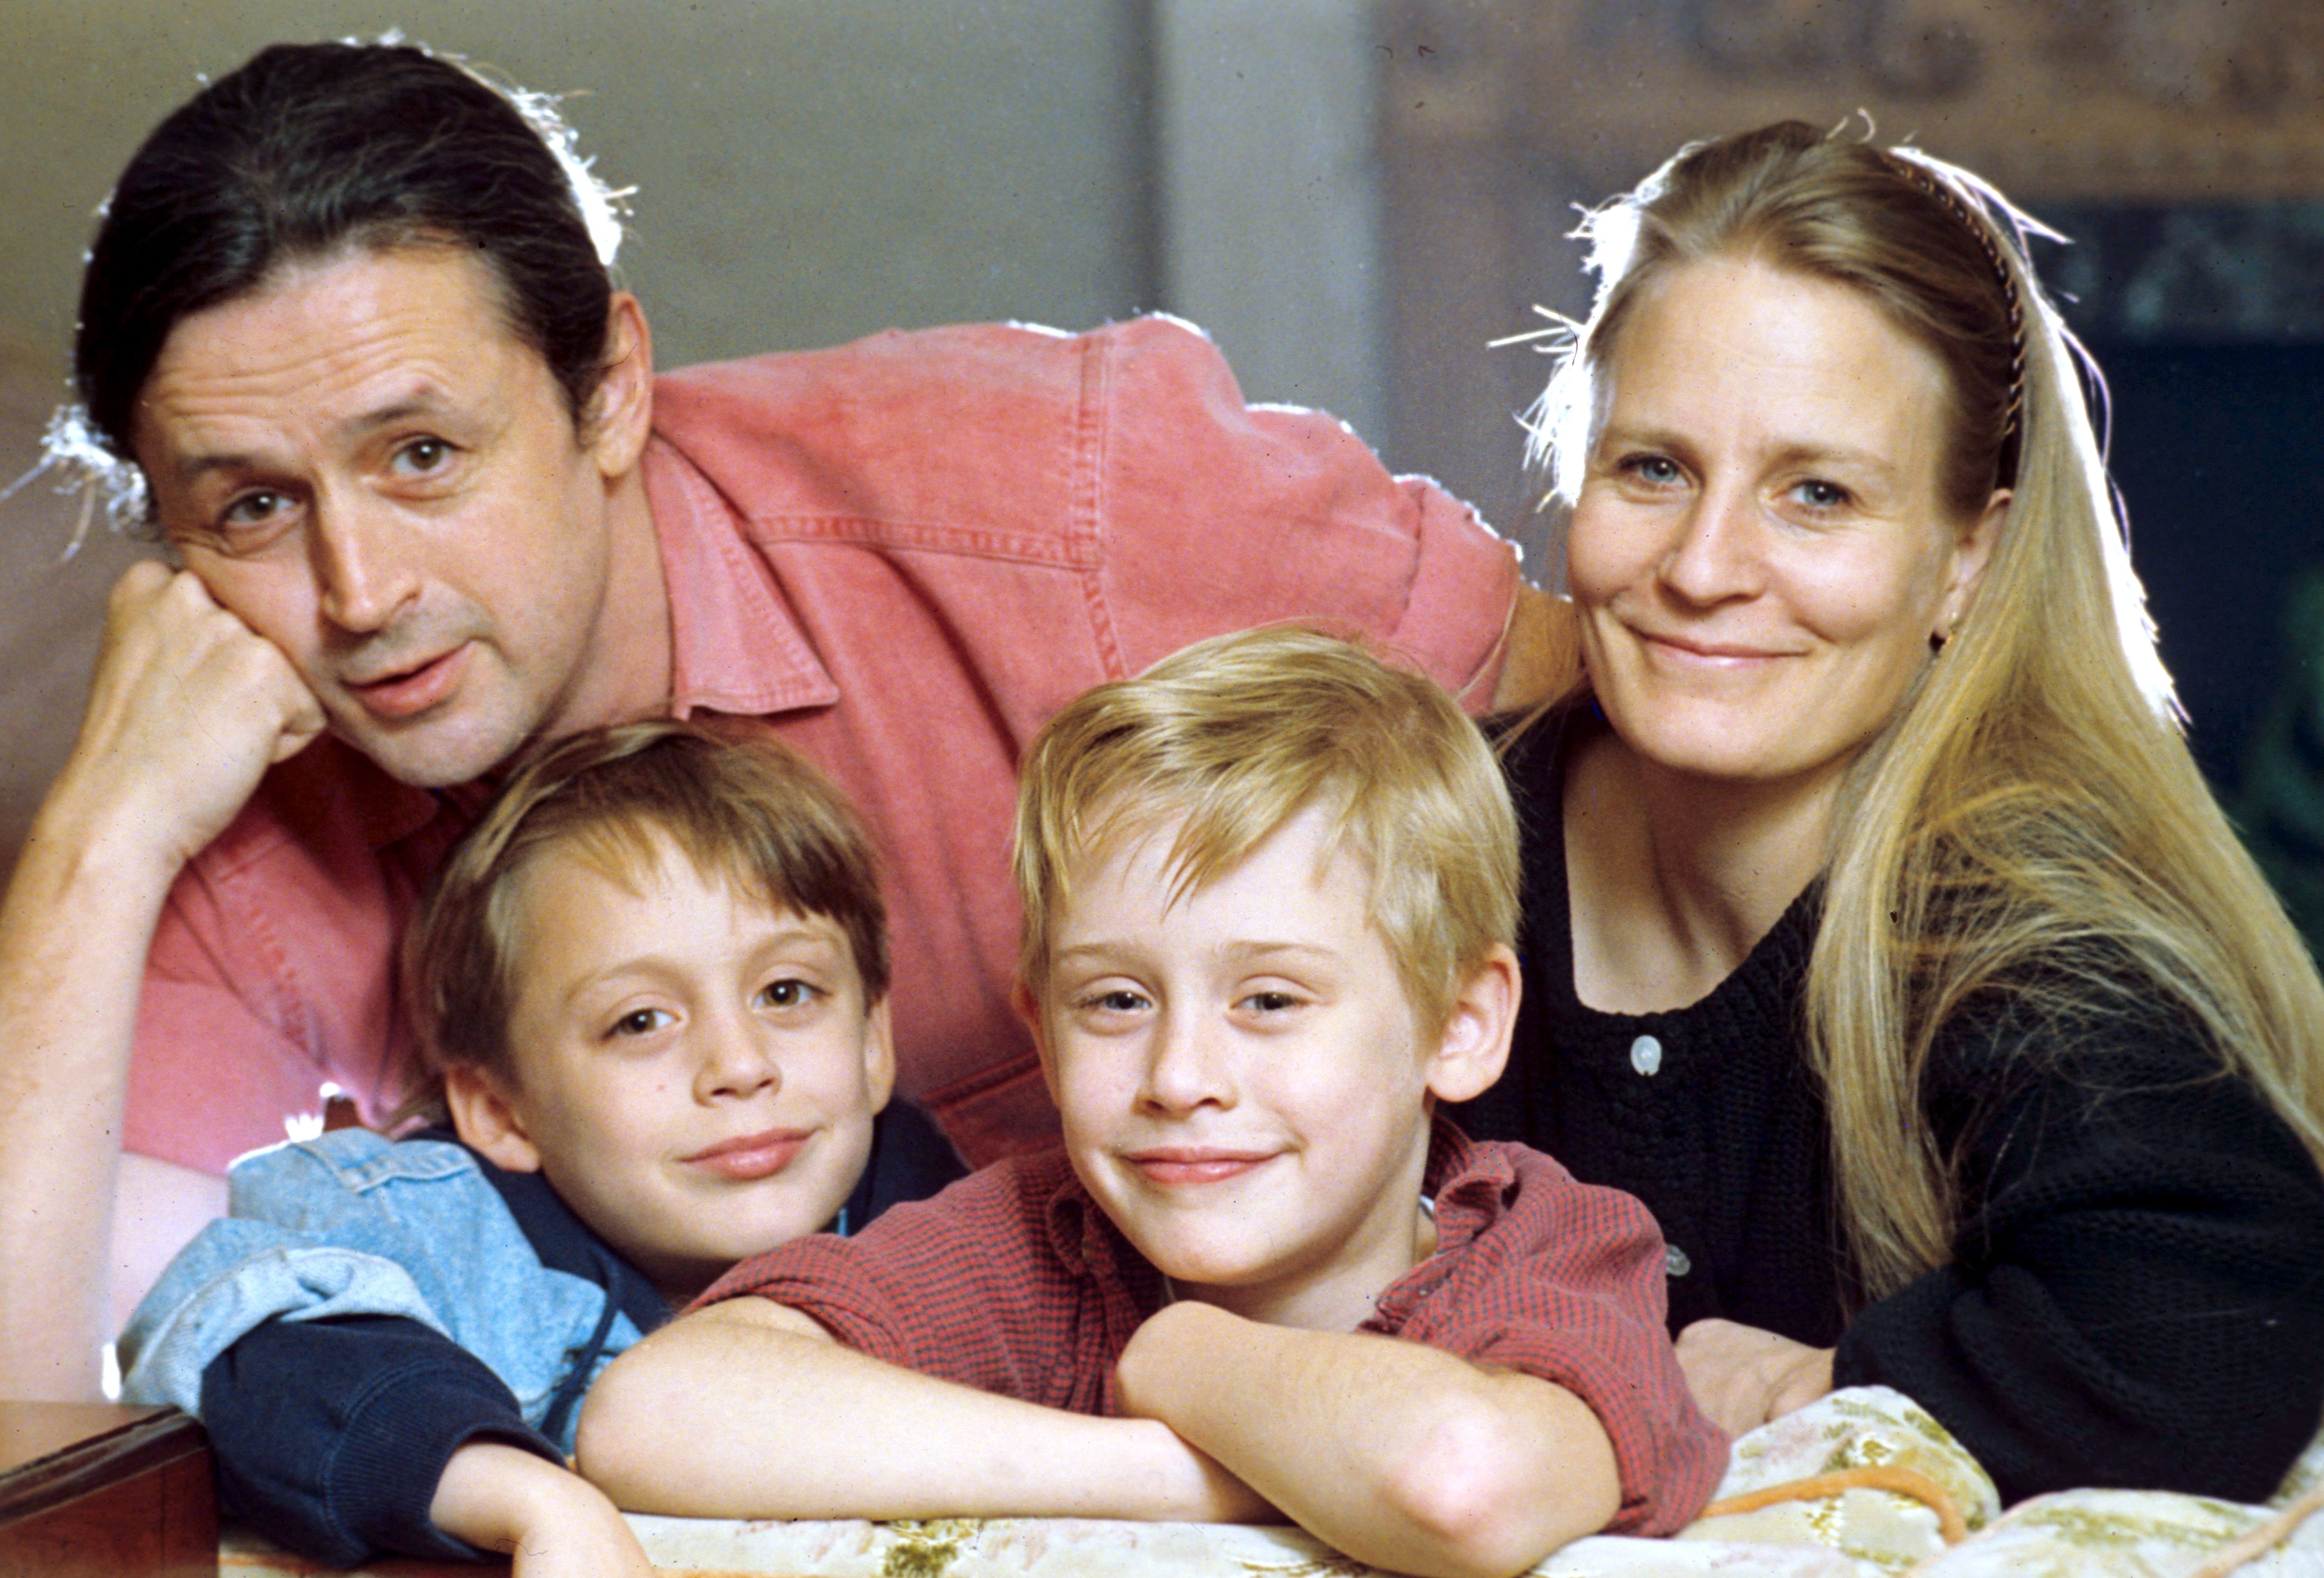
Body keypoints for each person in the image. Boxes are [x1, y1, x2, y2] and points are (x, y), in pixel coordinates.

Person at [0, 39, 1560, 1402]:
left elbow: (1626, 716)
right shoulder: (221, 817)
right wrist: (100, 835)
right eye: (254, 507)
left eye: (421, 455)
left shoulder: (1050, 509)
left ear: (609, 387)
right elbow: (29, 1411)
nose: (358, 592)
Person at [1450, 119, 2324, 1506]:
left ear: (1961, 561)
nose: (1701, 568)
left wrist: (1814, 1380)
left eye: (1815, 494)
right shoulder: (1429, 831)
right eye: (1652, 469)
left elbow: (2211, 1341)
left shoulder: (2010, 916)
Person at [576, 628, 1726, 1578]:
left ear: (1459, 1023)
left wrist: (1177, 1353)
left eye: (1270, 999)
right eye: (1116, 1000)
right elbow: (655, 1412)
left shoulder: (1550, 1244)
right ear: (1040, 1022)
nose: (1179, 1076)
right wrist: (1176, 1473)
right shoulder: (1043, 1232)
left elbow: (1459, 1482)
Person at [115, 719, 962, 1572]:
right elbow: (245, 1341)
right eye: (640, 1021)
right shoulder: (426, 1225)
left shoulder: (951, 1218)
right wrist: (531, 1500)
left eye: (786, 991)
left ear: (870, 1043)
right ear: (502, 1109)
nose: (740, 1067)